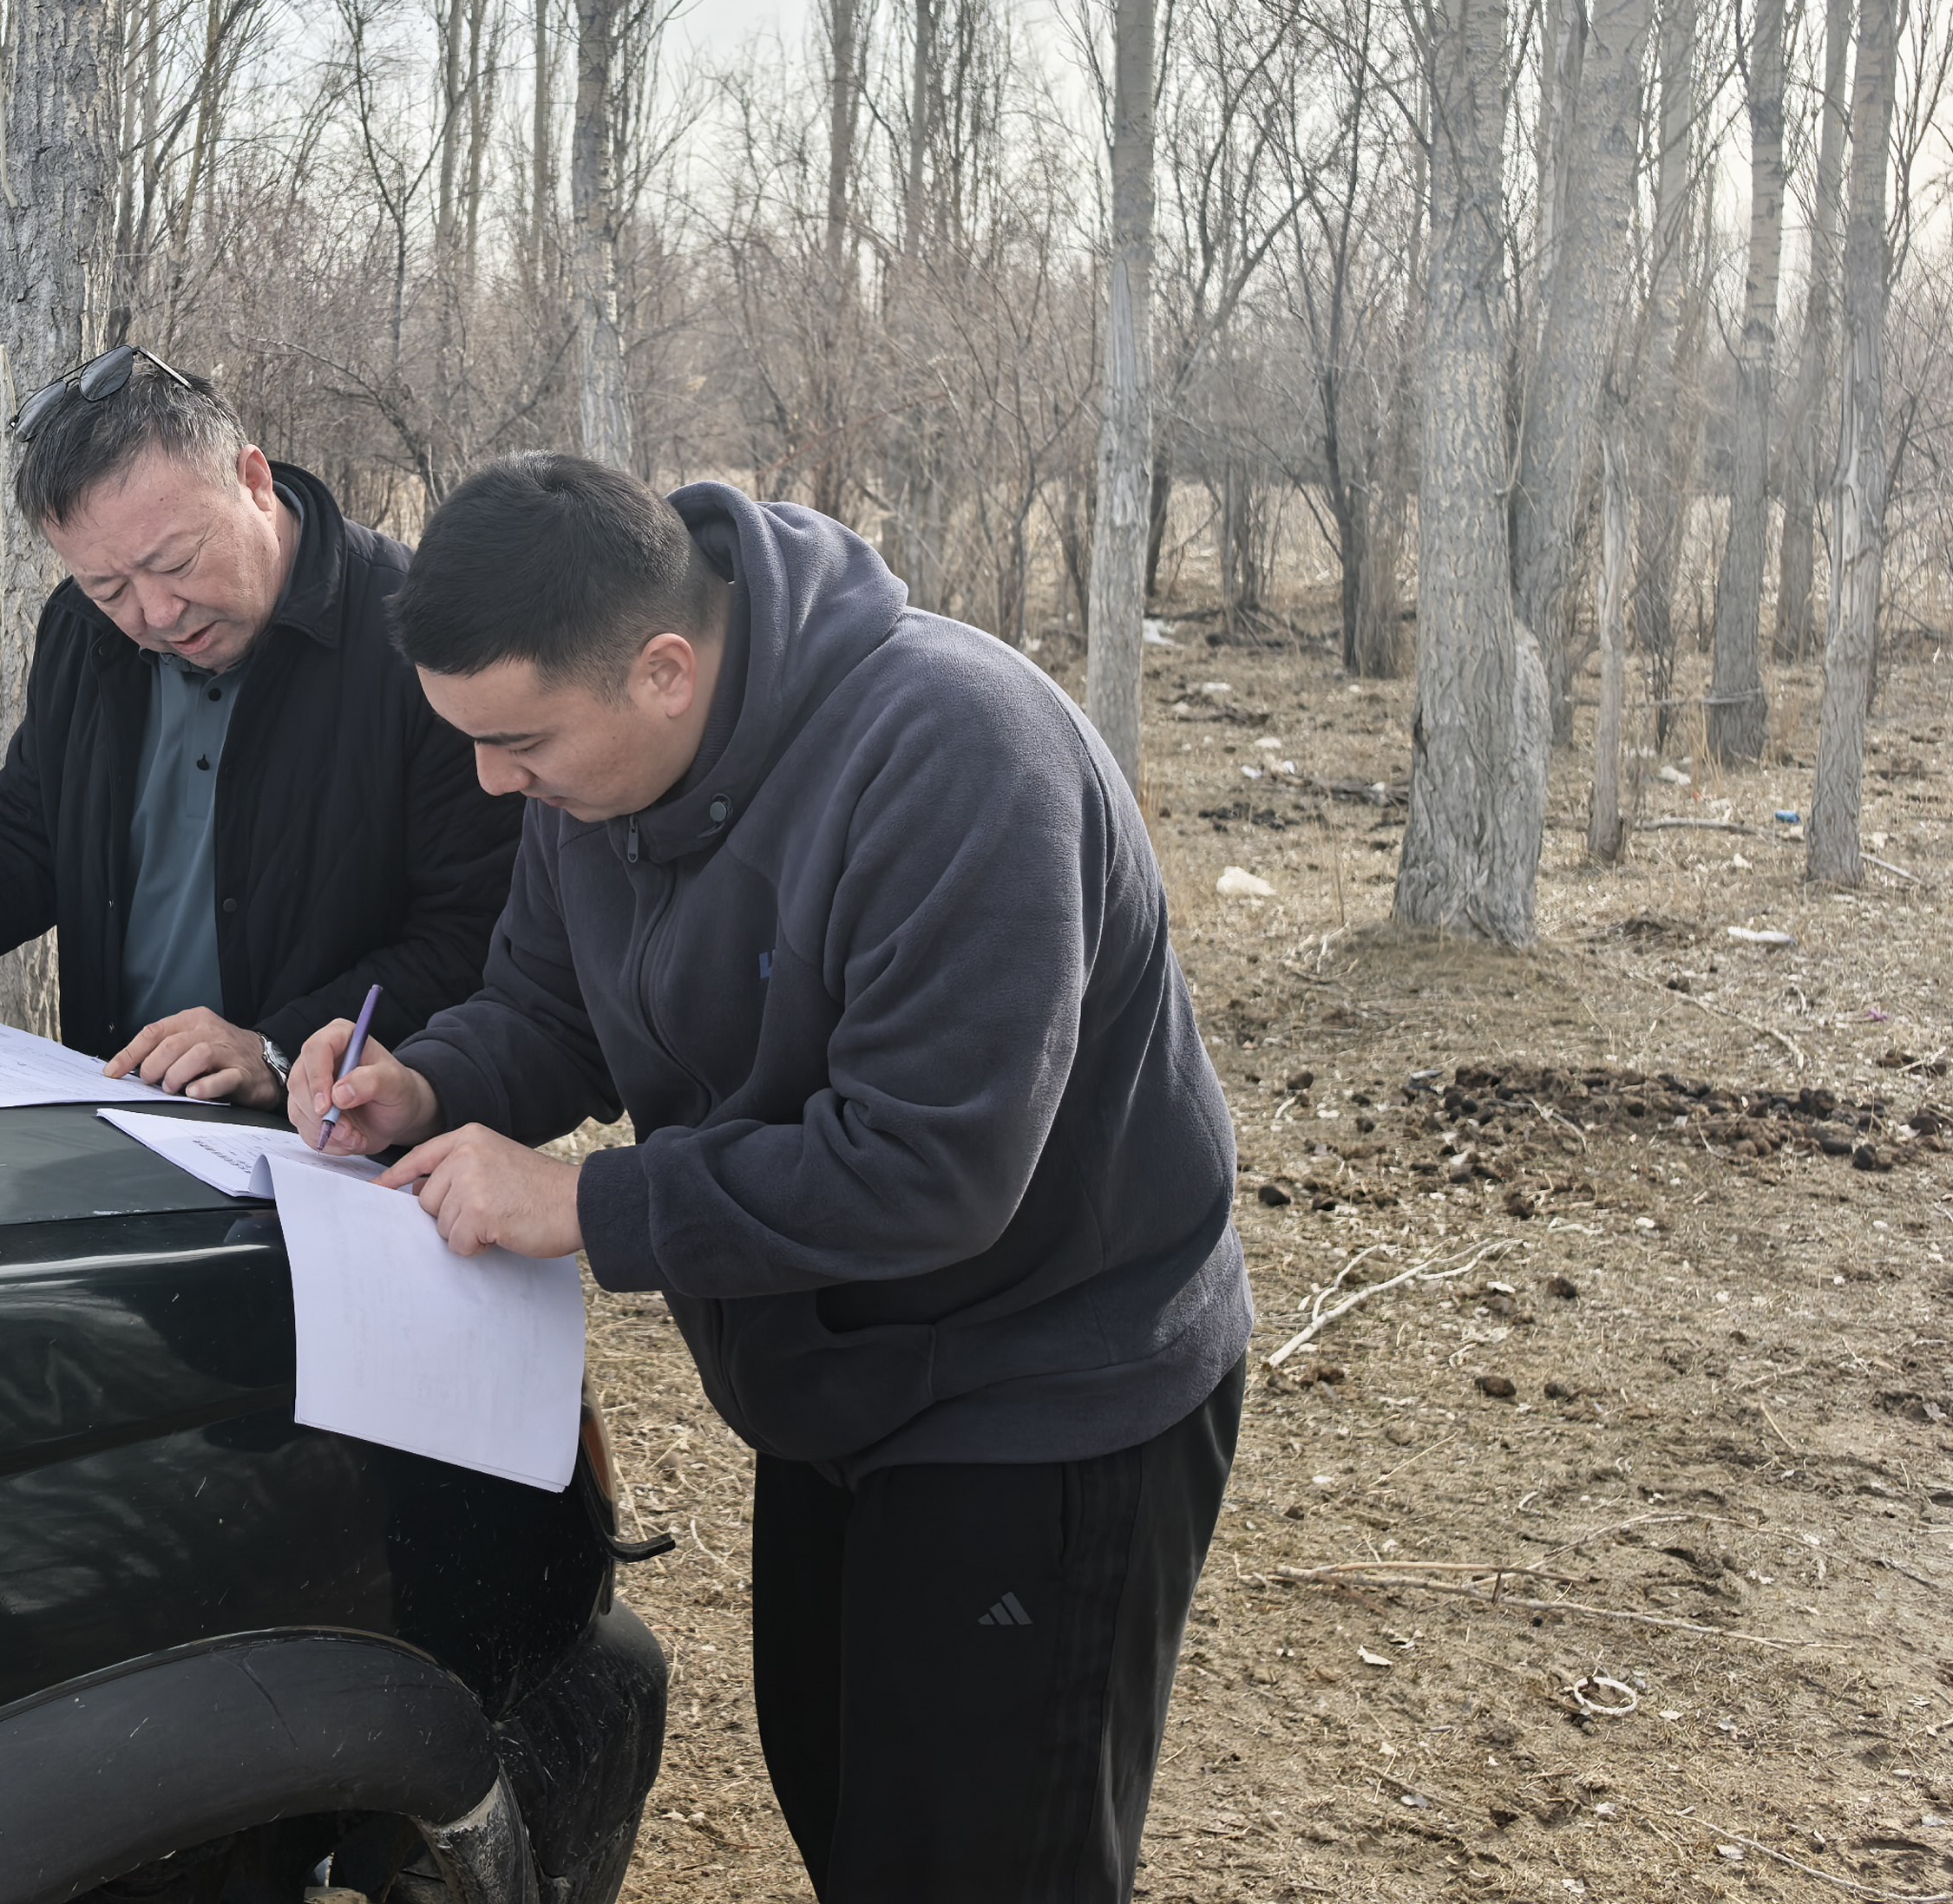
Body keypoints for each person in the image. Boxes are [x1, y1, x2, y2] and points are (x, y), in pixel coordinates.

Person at [290, 454, 1248, 1903]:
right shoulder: (592, 776)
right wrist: (422, 1081)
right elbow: (548, 1004)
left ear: (664, 670)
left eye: (518, 741)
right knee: (842, 1789)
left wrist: (588, 1204)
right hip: (830, 1363)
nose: (494, 781)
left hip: (1047, 1378)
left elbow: (932, 1167)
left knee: (978, 1858)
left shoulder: (959, 755)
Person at [0, 350, 521, 1104]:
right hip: (118, 1105)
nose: (156, 614)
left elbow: (477, 935)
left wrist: (275, 1049)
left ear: (255, 482)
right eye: (109, 586)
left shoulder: (418, 644)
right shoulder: (82, 629)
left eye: (176, 562)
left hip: (338, 1141)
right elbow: (30, 838)